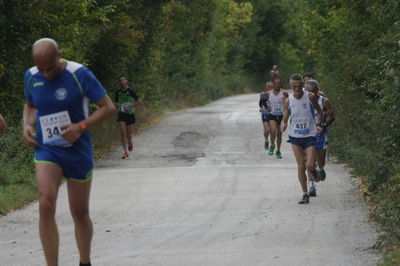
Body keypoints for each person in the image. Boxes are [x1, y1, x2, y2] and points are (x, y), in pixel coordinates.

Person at [22, 38, 115, 266]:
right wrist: (26, 124)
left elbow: (108, 107)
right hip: (47, 149)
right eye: (41, 69)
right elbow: (30, 104)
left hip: (78, 149)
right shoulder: (32, 76)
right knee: (45, 203)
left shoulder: (79, 74)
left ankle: (85, 261)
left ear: (59, 56)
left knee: (80, 212)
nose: (46, 74)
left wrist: (81, 127)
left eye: (50, 68)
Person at [281, 74, 323, 204]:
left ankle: (314, 173)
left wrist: (319, 125)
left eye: (300, 86)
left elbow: (320, 112)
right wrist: (284, 123)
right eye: (295, 86)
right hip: (295, 136)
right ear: (290, 86)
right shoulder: (288, 101)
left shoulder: (310, 97)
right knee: (300, 166)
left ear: (303, 85)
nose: (298, 89)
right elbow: (285, 117)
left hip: (309, 134)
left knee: (310, 165)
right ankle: (305, 194)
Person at [305, 79, 335, 182]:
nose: (310, 94)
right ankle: (311, 184)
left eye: (312, 91)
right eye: (308, 91)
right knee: (309, 160)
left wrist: (323, 125)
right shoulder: (302, 101)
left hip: (320, 133)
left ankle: (321, 168)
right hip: (307, 134)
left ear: (317, 90)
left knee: (321, 161)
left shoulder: (324, 101)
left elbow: (332, 116)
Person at [115, 75, 141, 159]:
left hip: (130, 114)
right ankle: (125, 152)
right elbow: (115, 103)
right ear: (119, 82)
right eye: (120, 80)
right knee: (123, 132)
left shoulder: (130, 91)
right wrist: (120, 105)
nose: (122, 81)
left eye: (123, 80)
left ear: (126, 81)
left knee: (128, 134)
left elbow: (138, 102)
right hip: (121, 113)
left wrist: (130, 106)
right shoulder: (118, 92)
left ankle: (130, 142)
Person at [266, 78, 288, 159]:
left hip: (281, 116)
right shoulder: (268, 93)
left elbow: (287, 105)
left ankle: (278, 150)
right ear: (273, 84)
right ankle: (272, 145)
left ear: (280, 84)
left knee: (279, 134)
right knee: (273, 131)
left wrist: (286, 119)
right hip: (272, 115)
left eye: (278, 83)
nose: (277, 85)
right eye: (275, 83)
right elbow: (264, 102)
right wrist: (267, 107)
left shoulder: (284, 93)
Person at [259, 81, 273, 150]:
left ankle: (272, 143)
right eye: (268, 87)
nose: (270, 88)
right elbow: (261, 102)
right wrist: (263, 108)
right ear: (266, 87)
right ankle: (266, 140)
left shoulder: (275, 94)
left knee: (272, 130)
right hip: (265, 114)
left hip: (273, 114)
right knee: (267, 130)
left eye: (271, 87)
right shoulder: (263, 94)